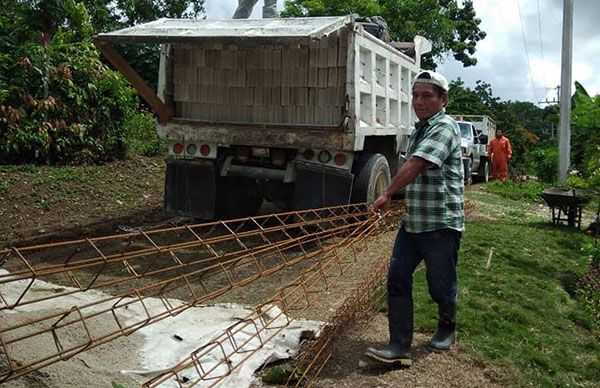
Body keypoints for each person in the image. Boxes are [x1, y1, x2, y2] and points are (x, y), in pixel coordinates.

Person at [365, 70, 464, 366]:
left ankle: (447, 327)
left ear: (442, 99)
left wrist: (387, 194)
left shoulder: (445, 127)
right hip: (413, 222)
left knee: (440, 285)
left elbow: (418, 164)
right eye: (416, 95)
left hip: (440, 223)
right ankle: (398, 345)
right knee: (397, 277)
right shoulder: (419, 129)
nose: (419, 102)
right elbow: (411, 164)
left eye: (427, 96)